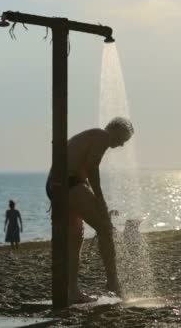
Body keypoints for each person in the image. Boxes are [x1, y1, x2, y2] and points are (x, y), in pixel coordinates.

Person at [46, 117, 134, 303]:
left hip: (56, 185)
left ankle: (72, 291)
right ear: (114, 129)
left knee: (75, 241)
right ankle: (112, 281)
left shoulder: (89, 137)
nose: (121, 144)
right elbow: (92, 167)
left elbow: (79, 167)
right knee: (105, 228)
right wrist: (100, 199)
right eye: (122, 138)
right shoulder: (102, 136)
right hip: (68, 184)